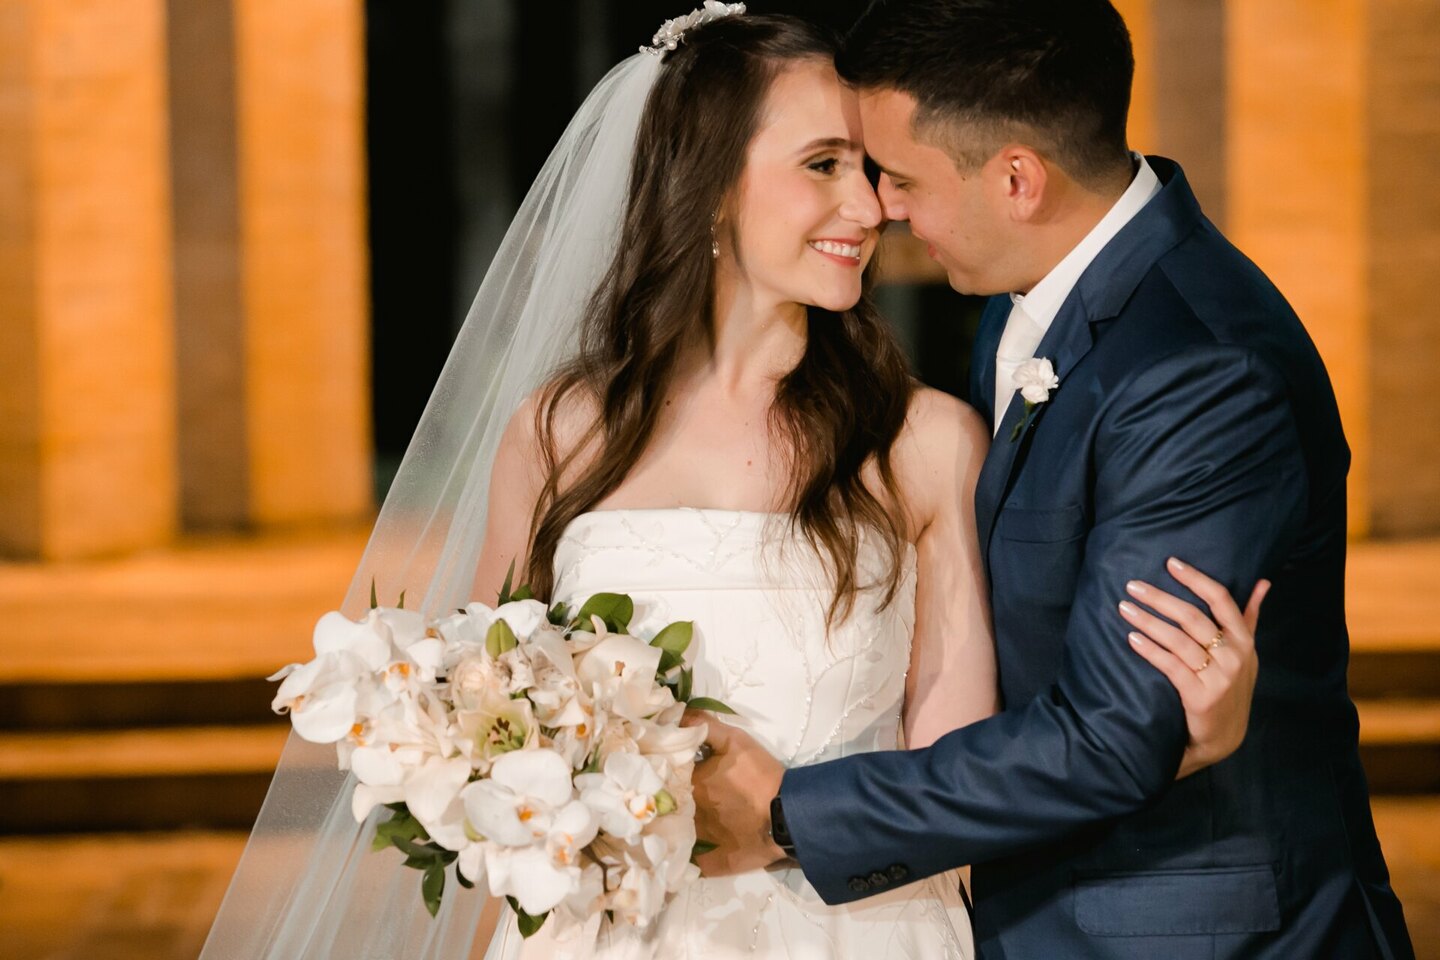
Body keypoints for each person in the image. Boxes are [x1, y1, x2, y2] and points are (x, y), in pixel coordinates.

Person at [199, 8, 1264, 960]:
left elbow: (960, 783)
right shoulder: (560, 436)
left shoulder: (925, 443)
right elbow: (482, 738)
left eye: (873, 169)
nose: (870, 204)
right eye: (824, 165)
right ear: (708, 187)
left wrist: (1167, 745)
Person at [690, 2, 1417, 959]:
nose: (883, 209)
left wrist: (788, 814)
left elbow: (1117, 733)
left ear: (1018, 178)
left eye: (901, 177)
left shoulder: (1198, 370)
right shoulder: (1032, 298)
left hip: (1184, 931)